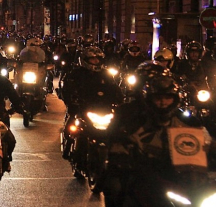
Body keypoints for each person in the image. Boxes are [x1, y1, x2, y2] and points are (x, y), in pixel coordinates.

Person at [102, 72, 207, 206]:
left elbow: (204, 139)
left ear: (175, 99)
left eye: (168, 97)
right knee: (116, 188)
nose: (163, 102)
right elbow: (119, 144)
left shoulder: (188, 121)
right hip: (146, 179)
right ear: (149, 99)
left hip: (181, 178)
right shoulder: (136, 122)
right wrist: (123, 157)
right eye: (158, 98)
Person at [61, 46, 123, 159]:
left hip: (103, 108)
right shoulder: (76, 74)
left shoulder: (106, 75)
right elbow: (67, 88)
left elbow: (115, 89)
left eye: (98, 59)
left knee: (118, 129)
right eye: (92, 59)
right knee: (72, 126)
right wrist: (72, 100)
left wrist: (121, 100)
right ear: (85, 60)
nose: (96, 61)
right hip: (83, 107)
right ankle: (68, 145)